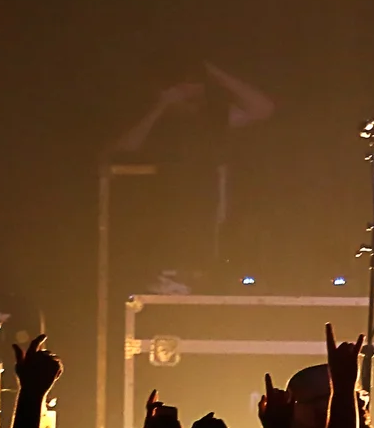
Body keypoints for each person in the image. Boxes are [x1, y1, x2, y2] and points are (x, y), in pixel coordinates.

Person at [109, 59, 277, 292]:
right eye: (186, 83)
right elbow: (123, 149)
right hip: (160, 218)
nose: (193, 90)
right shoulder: (154, 119)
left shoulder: (213, 118)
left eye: (197, 83)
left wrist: (216, 73)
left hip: (209, 213)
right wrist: (161, 106)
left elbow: (263, 108)